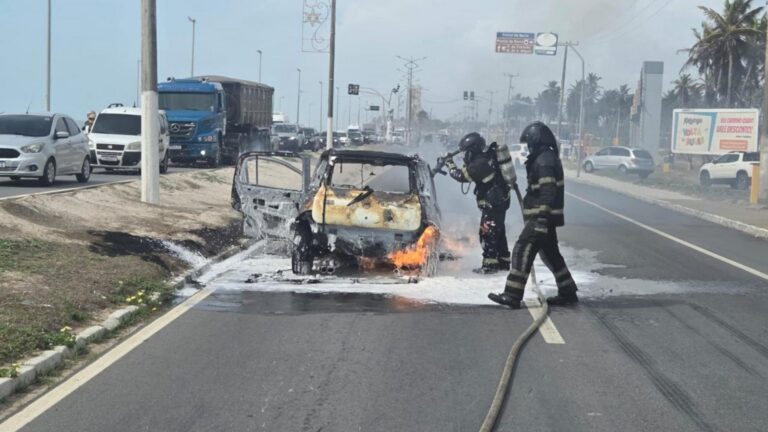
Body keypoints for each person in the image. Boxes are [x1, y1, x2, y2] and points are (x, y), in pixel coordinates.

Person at [488, 121, 578, 309]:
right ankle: (568, 291)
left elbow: (547, 190)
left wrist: (542, 218)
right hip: (543, 217)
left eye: (529, 143)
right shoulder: (544, 157)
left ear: (536, 140)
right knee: (551, 254)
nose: (528, 147)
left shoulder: (544, 160)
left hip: (541, 217)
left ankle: (512, 295)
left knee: (522, 250)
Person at [445, 132, 511, 274]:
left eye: (467, 152)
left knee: (487, 233)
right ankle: (504, 262)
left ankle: (490, 265)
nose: (465, 156)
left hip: (492, 203)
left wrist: (449, 164)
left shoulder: (480, 164)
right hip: (501, 200)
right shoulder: (486, 158)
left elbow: (462, 176)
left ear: (473, 150)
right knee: (499, 231)